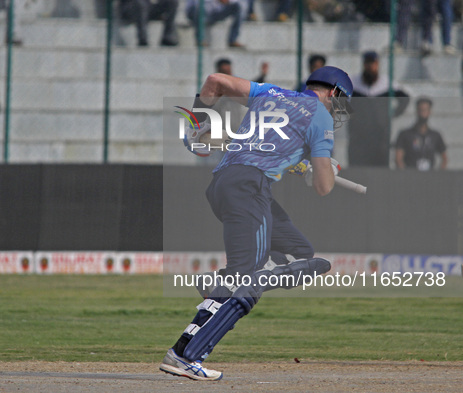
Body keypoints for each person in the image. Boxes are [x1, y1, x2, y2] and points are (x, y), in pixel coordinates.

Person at [160, 66, 353, 380]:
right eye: (340, 99)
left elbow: (215, 81)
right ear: (333, 92)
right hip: (249, 188)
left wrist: (199, 124)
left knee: (300, 255)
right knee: (246, 280)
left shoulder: (271, 93)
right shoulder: (321, 117)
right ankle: (185, 354)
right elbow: (323, 186)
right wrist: (323, 167)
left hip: (226, 183)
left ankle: (221, 284)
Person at [348, 50, 409, 167]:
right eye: (368, 64)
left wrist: (394, 113)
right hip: (359, 137)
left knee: (380, 169)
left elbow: (404, 98)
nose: (370, 67)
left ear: (378, 65)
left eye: (373, 63)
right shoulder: (354, 83)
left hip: (380, 136)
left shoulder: (386, 83)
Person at [395, 97, 447, 170]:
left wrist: (438, 175)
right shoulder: (405, 134)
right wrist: (405, 175)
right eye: (420, 110)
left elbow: (444, 158)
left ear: (429, 112)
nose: (423, 113)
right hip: (411, 174)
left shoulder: (435, 135)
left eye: (425, 110)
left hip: (430, 176)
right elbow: (398, 158)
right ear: (417, 111)